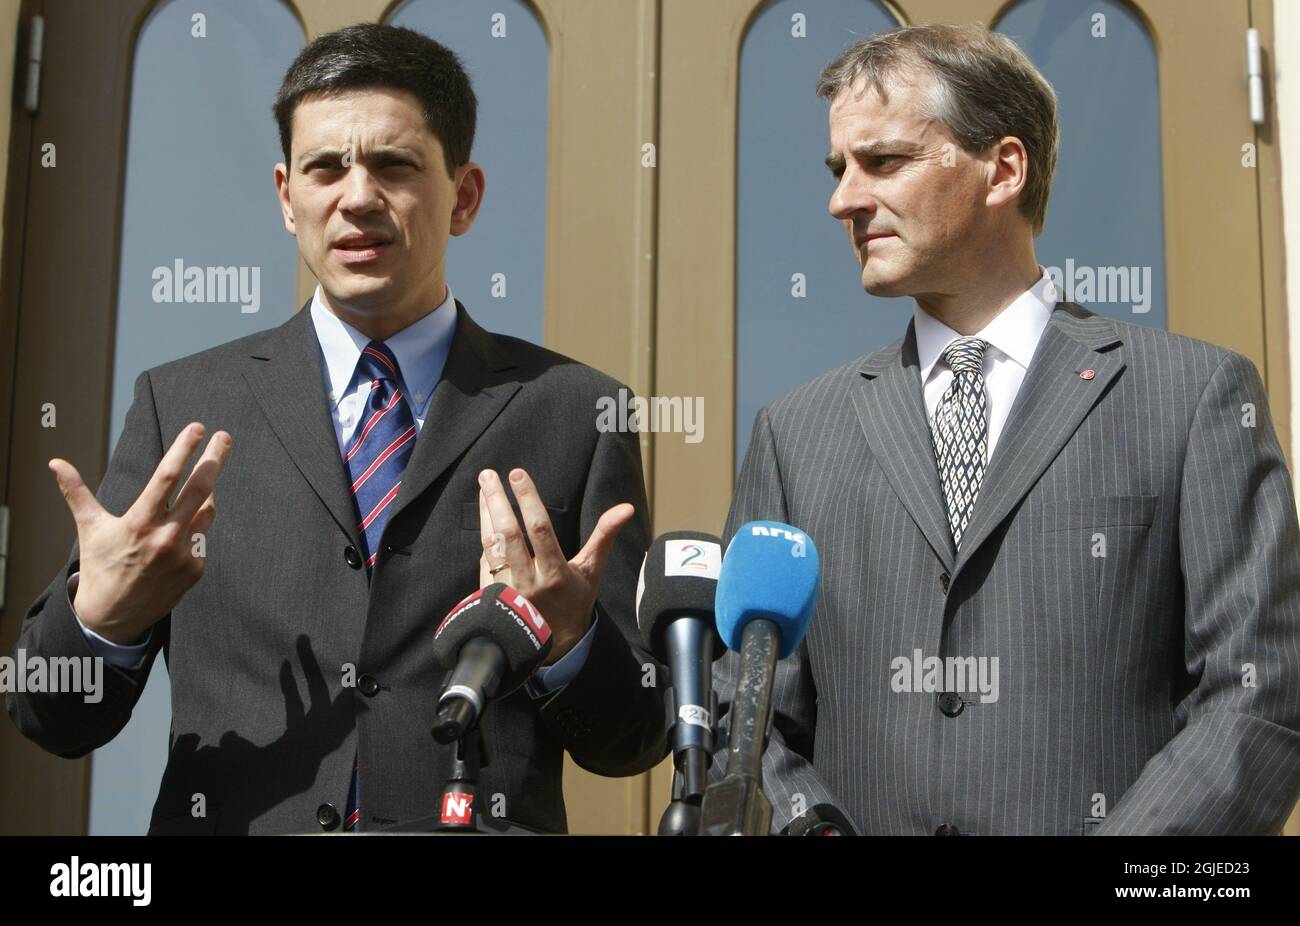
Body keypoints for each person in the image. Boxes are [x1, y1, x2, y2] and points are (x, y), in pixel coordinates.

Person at [8, 23, 665, 835]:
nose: (357, 197)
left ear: (463, 196)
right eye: (326, 168)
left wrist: (569, 641)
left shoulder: (574, 411)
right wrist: (101, 619)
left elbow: (635, 737)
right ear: (287, 197)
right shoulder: (180, 406)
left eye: (394, 165)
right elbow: (50, 716)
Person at [716, 22, 1300, 835]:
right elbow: (749, 715)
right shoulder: (795, 433)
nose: (843, 198)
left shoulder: (1195, 397)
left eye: (882, 161)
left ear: (1005, 169)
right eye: (838, 167)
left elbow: (1260, 694)